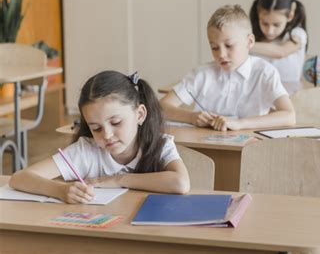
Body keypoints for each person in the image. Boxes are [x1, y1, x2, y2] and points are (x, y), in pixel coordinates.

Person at [10, 71, 190, 204]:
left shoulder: (161, 144)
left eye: (116, 122)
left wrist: (118, 180)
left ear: (140, 114)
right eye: (96, 128)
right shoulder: (86, 151)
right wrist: (61, 190)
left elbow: (180, 183)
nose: (107, 135)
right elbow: (20, 178)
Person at [160, 4, 295, 131]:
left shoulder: (264, 72)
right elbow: (161, 107)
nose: (221, 54)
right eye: (214, 48)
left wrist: (239, 124)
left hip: (250, 148)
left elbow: (289, 116)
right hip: (206, 147)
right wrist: (191, 117)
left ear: (250, 42)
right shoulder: (202, 74)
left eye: (229, 46)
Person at [249, 0, 308, 94]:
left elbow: (281, 52)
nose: (270, 31)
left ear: (290, 16)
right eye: (264, 23)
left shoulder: (297, 35)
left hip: (290, 95)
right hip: (259, 94)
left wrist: (243, 44)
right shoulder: (254, 36)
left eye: (276, 24)